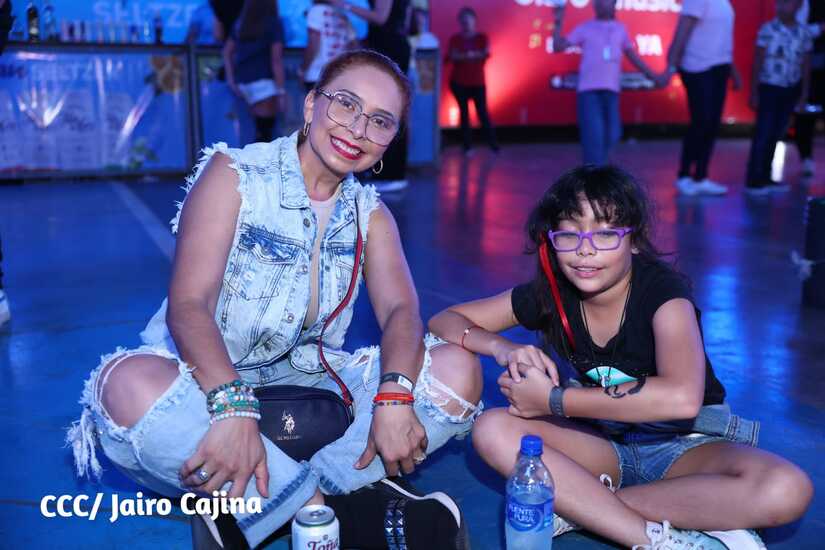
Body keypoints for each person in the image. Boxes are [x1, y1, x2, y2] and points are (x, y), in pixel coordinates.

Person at [67, 50, 482, 550]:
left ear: (391, 139)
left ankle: (260, 505)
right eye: (346, 104)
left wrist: (394, 396)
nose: (357, 129)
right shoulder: (235, 173)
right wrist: (233, 408)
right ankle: (336, 506)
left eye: (380, 121)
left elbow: (401, 312)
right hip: (206, 392)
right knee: (123, 387)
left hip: (312, 398)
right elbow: (189, 305)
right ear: (310, 105)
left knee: (457, 371)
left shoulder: (370, 214)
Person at [429, 165, 813, 549]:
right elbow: (445, 320)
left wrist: (554, 400)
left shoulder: (664, 294)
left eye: (605, 234)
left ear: (634, 240)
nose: (585, 249)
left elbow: (682, 398)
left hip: (686, 447)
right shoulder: (552, 294)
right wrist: (504, 347)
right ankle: (651, 538)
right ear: (551, 242)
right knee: (492, 429)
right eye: (569, 234)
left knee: (786, 489)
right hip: (603, 447)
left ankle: (585, 508)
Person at [552, 0, 659, 166]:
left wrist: (654, 76)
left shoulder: (620, 29)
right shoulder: (585, 27)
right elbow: (558, 46)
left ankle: (598, 170)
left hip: (611, 91)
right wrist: (558, 21)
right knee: (593, 137)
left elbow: (633, 57)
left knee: (613, 134)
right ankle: (594, 175)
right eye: (599, 1)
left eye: (607, 1)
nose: (602, 4)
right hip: (589, 91)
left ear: (614, 4)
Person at [660, 0, 741, 196]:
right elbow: (682, 32)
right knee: (701, 121)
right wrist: (670, 67)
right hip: (697, 67)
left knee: (712, 123)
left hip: (720, 67)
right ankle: (684, 175)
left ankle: (701, 176)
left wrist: (733, 71)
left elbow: (721, 39)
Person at [333, 0, 412, 192]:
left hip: (389, 49)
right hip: (392, 46)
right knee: (387, 110)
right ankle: (388, 172)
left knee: (388, 111)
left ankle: (391, 173)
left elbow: (380, 18)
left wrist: (345, 5)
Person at [745, 0, 815, 195]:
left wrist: (804, 94)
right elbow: (758, 60)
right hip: (769, 87)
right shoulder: (767, 29)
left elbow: (806, 65)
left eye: (787, 3)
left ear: (798, 6)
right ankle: (754, 180)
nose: (782, 7)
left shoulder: (804, 33)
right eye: (779, 3)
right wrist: (754, 91)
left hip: (790, 89)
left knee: (777, 133)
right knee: (763, 132)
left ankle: (767, 177)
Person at [223, 0, 287, 143]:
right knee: (266, 137)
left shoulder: (241, 23)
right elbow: (276, 60)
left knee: (251, 134)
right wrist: (281, 92)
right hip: (265, 85)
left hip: (243, 84)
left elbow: (227, 52)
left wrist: (231, 80)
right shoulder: (273, 23)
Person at [445, 6, 498, 155]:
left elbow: (485, 53)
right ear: (460, 22)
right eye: (463, 20)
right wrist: (472, 55)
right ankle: (467, 146)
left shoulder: (482, 38)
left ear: (474, 20)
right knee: (464, 113)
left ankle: (493, 145)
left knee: (482, 113)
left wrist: (466, 56)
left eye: (468, 19)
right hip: (459, 82)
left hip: (478, 82)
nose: (466, 22)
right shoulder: (455, 39)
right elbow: (453, 56)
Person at [794, 0, 825, 178]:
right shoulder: (805, 3)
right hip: (811, 65)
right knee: (806, 113)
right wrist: (819, 28)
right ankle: (806, 157)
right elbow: (795, 29)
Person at [301, 0, 357, 92]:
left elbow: (313, 43)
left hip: (317, 74)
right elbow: (354, 45)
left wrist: (303, 69)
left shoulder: (316, 11)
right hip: (340, 75)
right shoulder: (342, 14)